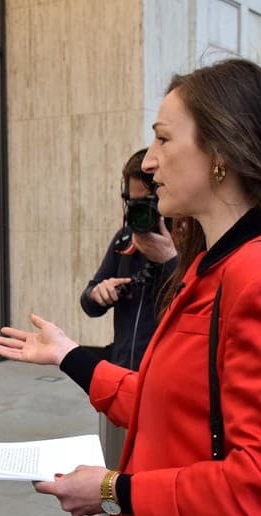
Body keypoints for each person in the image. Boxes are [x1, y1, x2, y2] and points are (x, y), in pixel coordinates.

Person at [0, 58, 261, 516]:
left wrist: (114, 489)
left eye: (163, 138)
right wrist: (68, 355)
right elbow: (176, 406)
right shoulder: (215, 266)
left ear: (222, 151)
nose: (150, 161)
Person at [81, 148, 178, 371]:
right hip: (123, 372)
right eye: (134, 203)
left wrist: (169, 260)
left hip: (164, 375)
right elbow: (88, 302)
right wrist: (97, 294)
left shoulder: (190, 240)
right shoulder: (124, 238)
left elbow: (199, 308)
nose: (140, 212)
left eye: (148, 202)